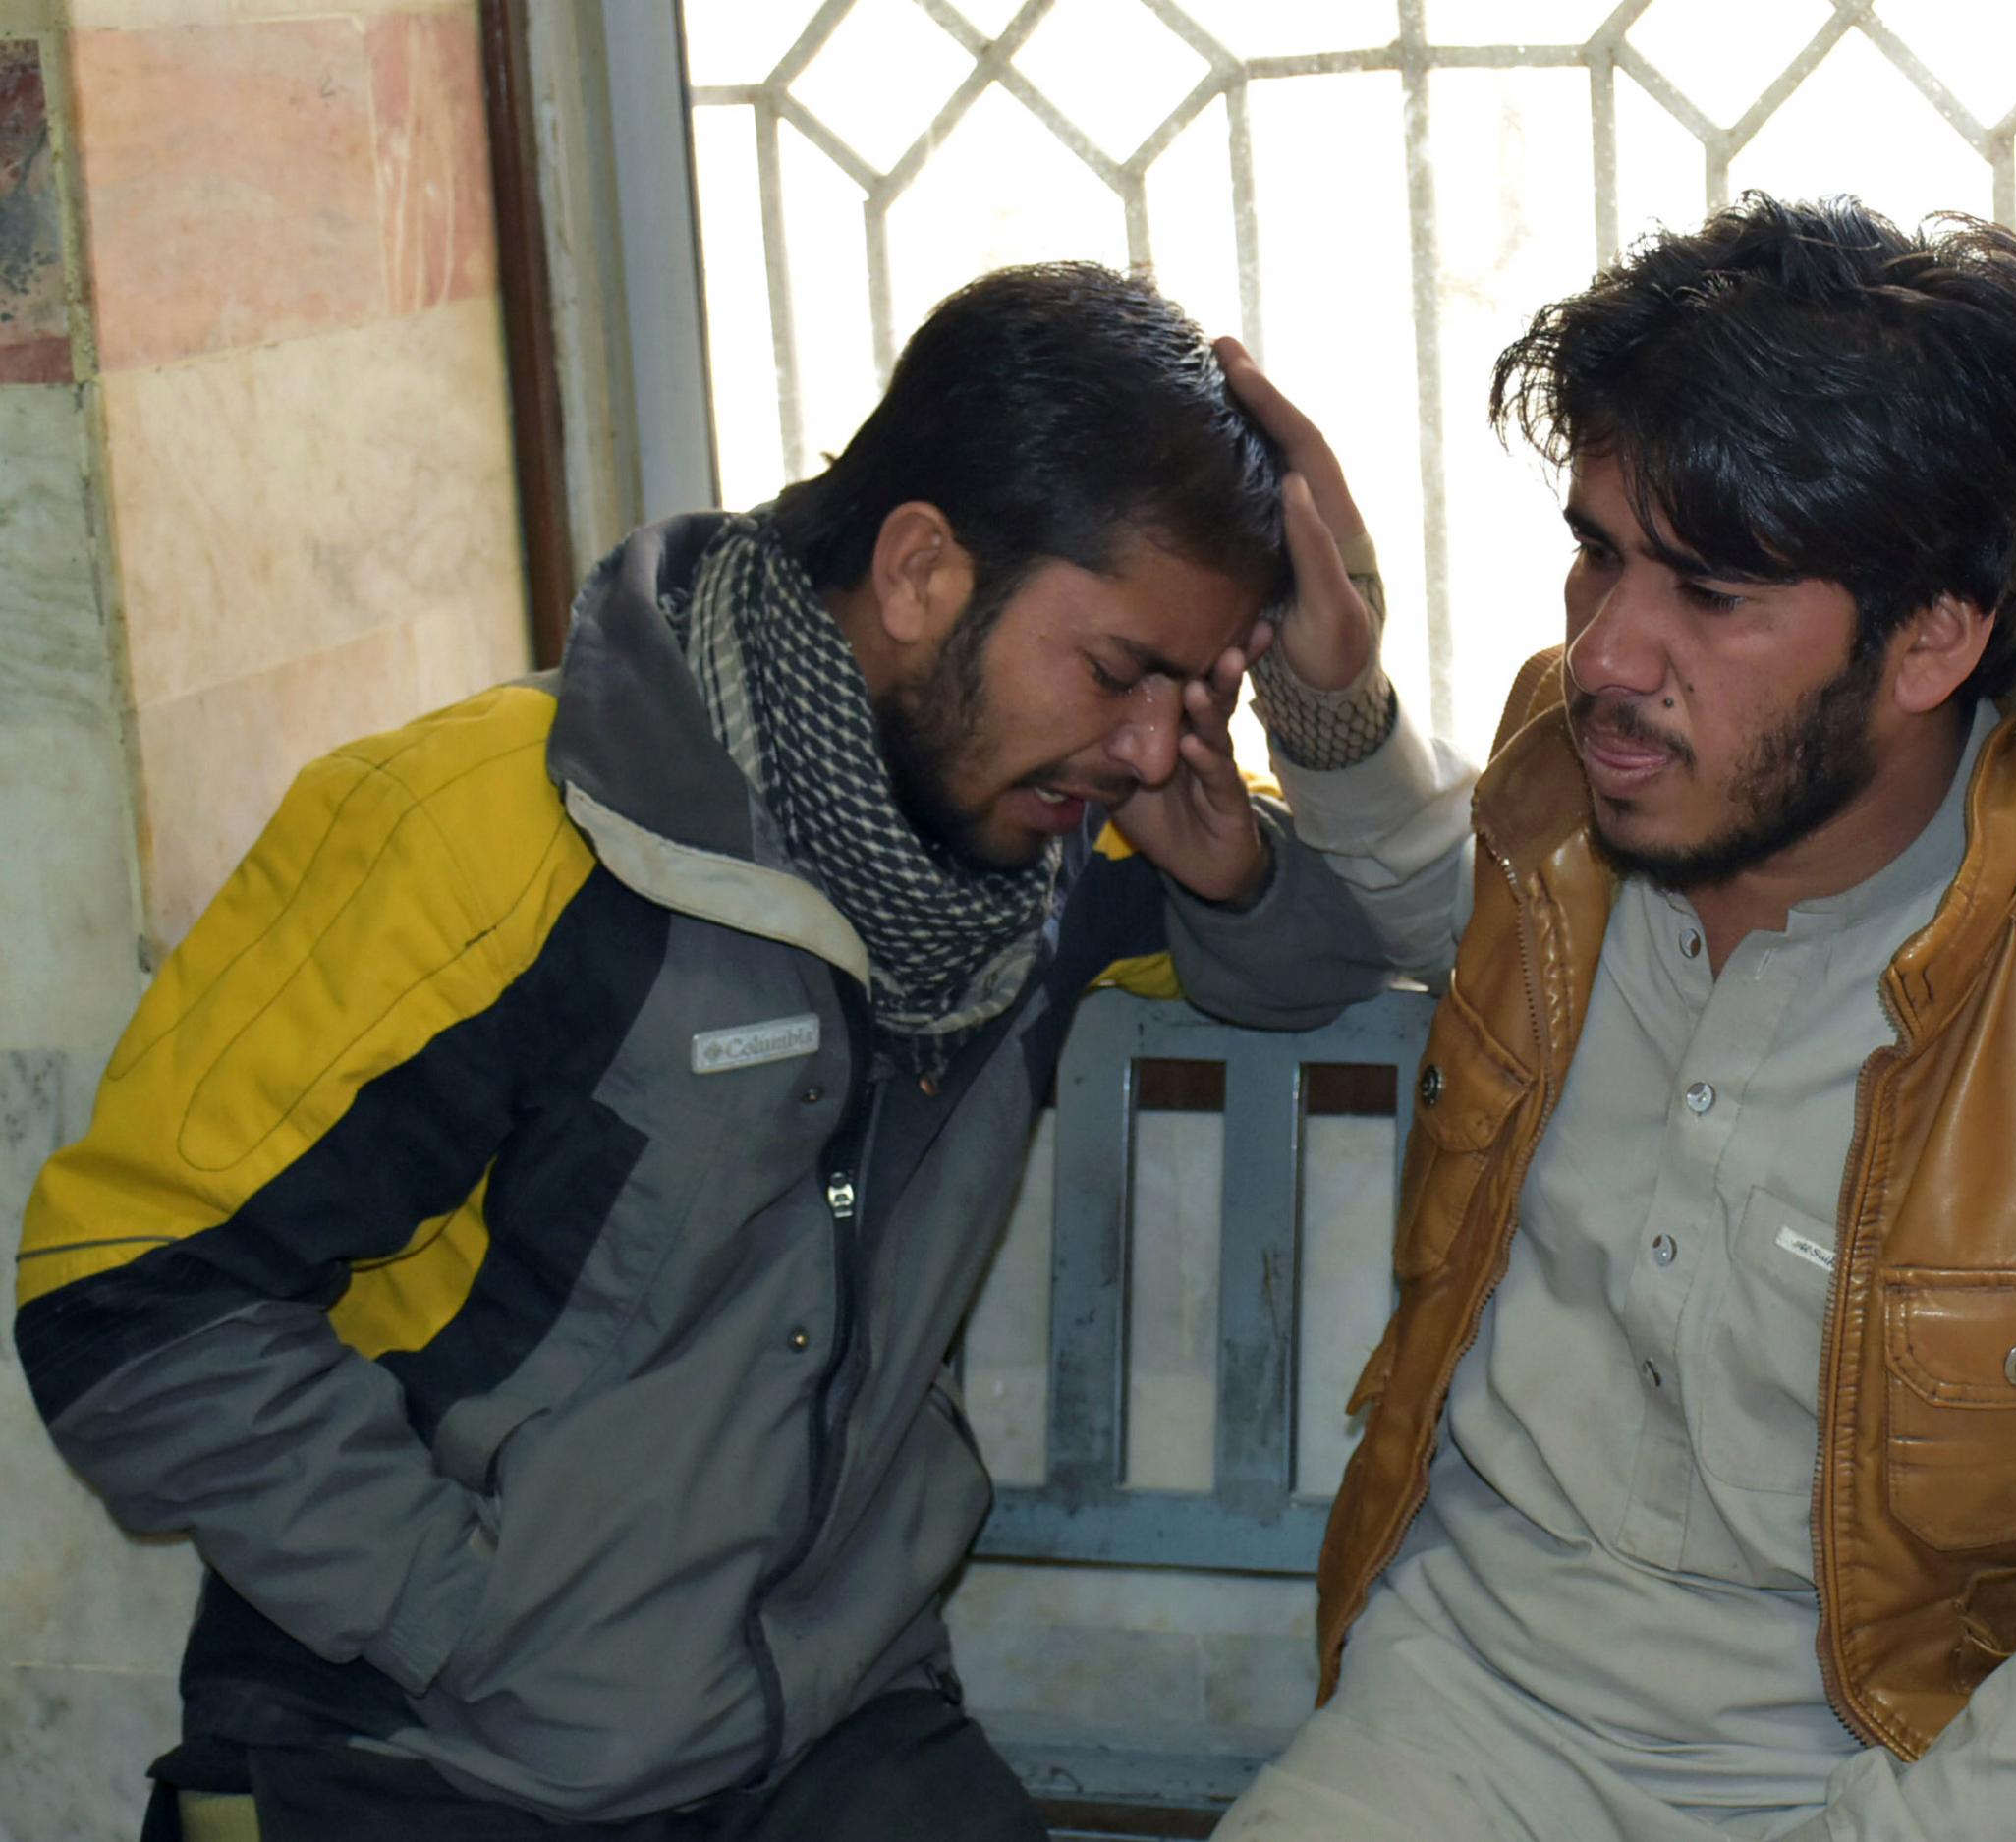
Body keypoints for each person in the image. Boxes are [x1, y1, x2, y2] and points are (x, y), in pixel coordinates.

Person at [14, 263, 1395, 1841]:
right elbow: (123, 1291)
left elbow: (1347, 951)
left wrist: (1264, 807)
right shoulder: (490, 835)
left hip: (825, 1734)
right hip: (433, 1761)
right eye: (1119, 671)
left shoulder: (1034, 850)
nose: (1155, 745)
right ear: (925, 570)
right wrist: (466, 1623)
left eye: (1194, 692)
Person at [1213, 195, 2016, 1841]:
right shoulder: (1594, 777)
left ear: (1932, 639)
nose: (1609, 650)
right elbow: (1461, 903)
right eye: (1600, 550)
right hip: (1462, 1716)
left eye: (1713, 591)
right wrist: (1327, 704)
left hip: (1905, 1771)